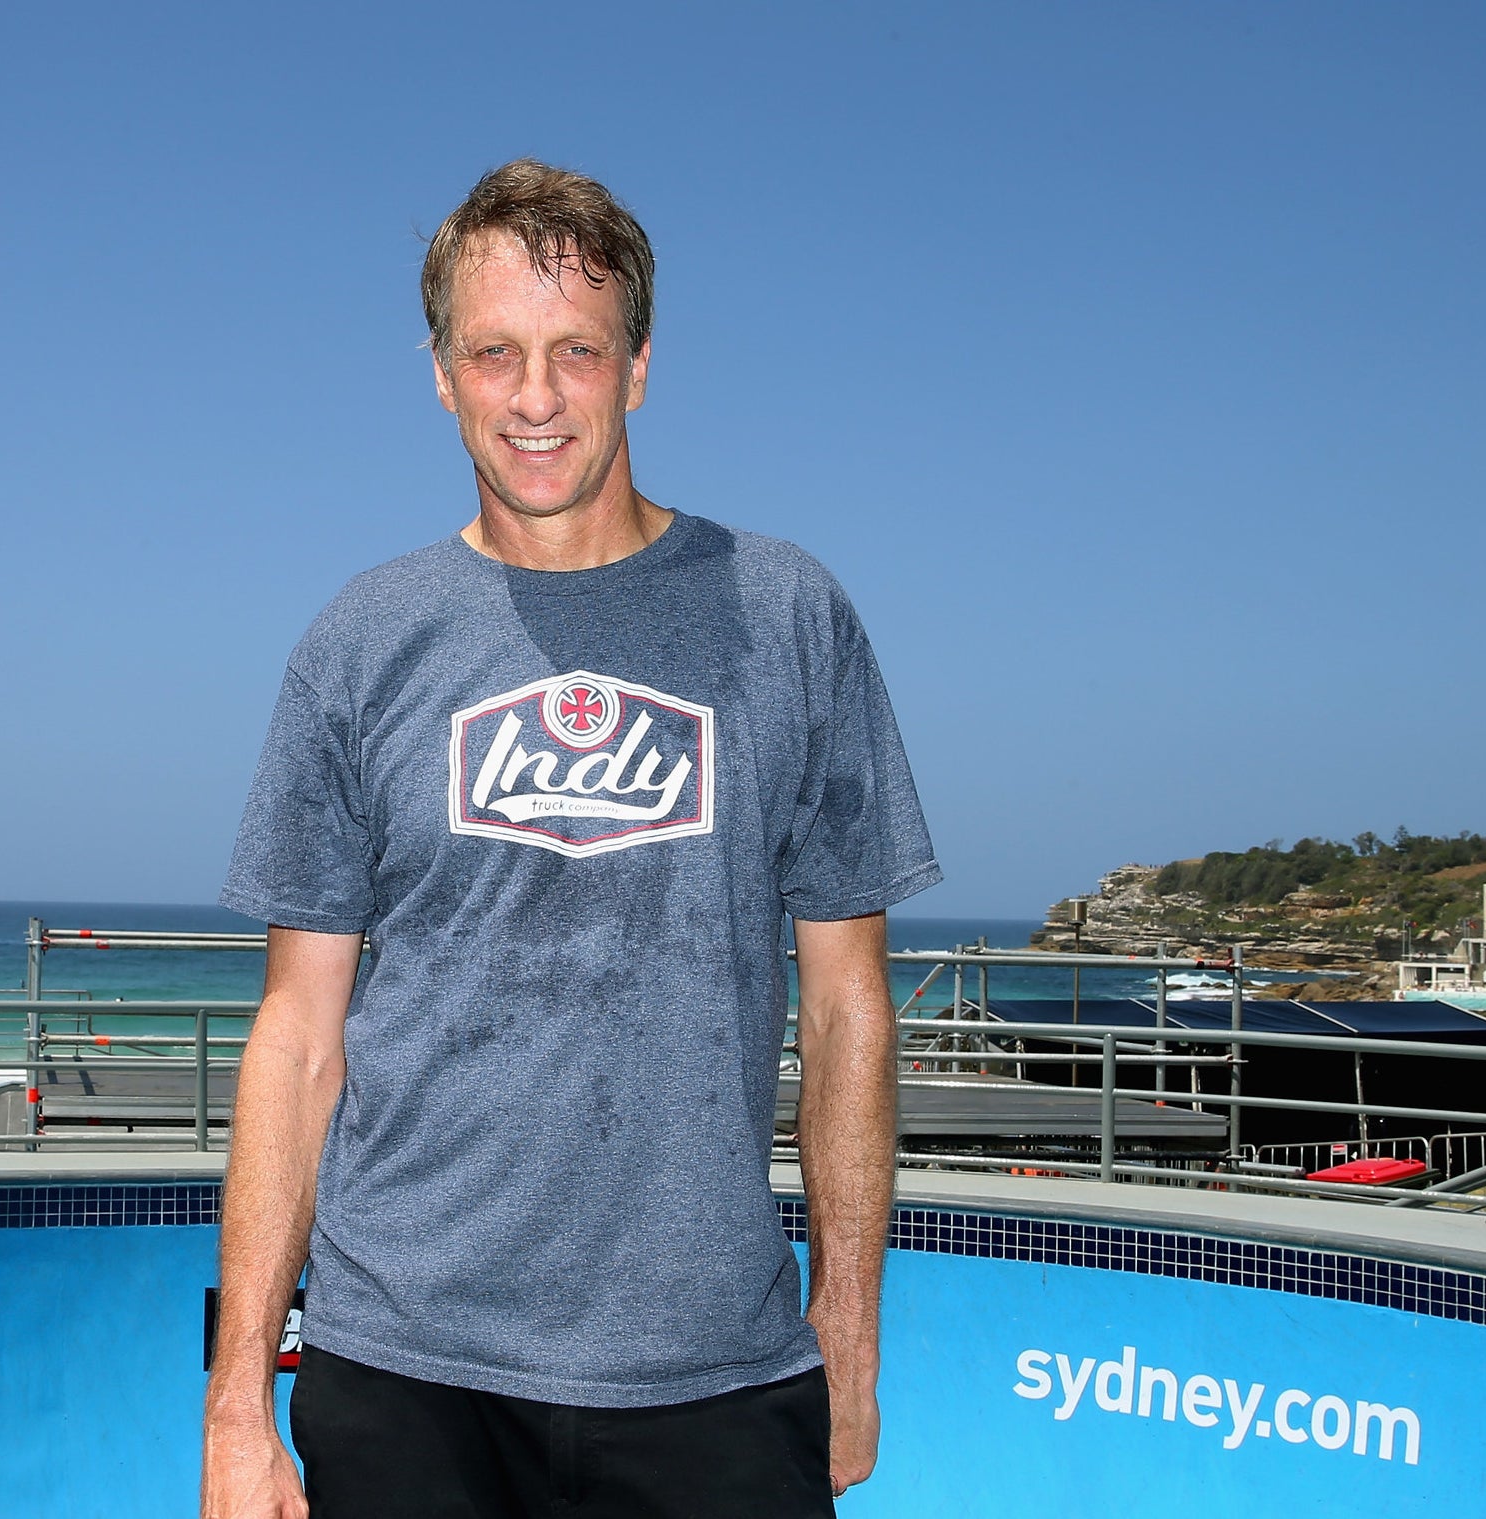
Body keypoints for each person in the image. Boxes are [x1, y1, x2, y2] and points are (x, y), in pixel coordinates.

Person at [202, 159, 937, 1519]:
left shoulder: (785, 615)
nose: (533, 399)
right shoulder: (360, 644)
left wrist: (849, 1323)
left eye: (573, 353)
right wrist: (240, 1398)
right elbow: (296, 1037)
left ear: (638, 368)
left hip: (713, 1372)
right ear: (439, 373)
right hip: (404, 1371)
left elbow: (847, 1009)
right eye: (494, 354)